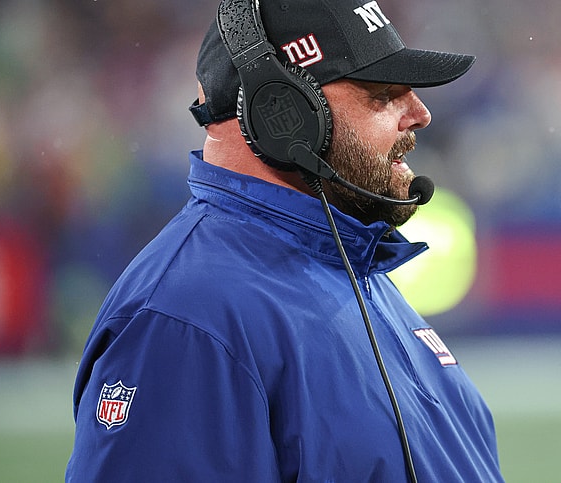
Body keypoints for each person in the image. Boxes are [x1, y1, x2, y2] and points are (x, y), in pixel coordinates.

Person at [66, 0, 504, 481]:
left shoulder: (350, 268)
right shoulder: (186, 318)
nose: (419, 115)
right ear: (284, 113)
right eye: (383, 93)